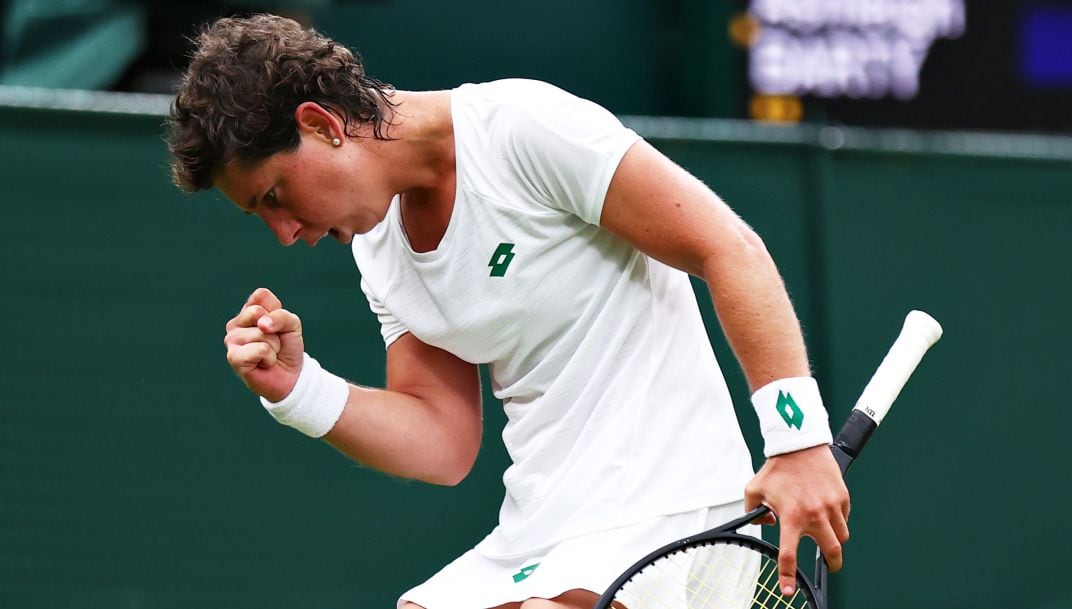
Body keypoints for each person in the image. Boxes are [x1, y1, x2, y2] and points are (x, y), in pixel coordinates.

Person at [167, 14, 850, 609]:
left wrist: (798, 441)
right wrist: (298, 389)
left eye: (276, 195)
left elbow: (727, 247)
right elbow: (443, 440)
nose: (285, 233)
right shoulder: (377, 244)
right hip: (546, 525)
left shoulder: (524, 128)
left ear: (321, 126)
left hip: (666, 509)